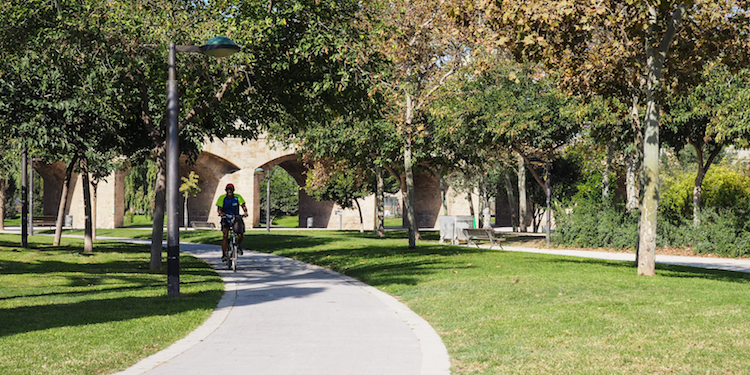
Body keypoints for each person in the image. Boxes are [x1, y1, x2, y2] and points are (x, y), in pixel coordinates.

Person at [216, 183, 249, 262]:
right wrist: (221, 213)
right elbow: (219, 209)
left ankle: (238, 245)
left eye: (231, 189)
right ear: (226, 190)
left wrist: (245, 212)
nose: (229, 191)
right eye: (228, 189)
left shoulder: (238, 197)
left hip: (236, 217)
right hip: (226, 217)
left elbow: (243, 206)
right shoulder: (222, 198)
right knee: (225, 235)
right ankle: (224, 254)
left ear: (233, 190)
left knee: (240, 233)